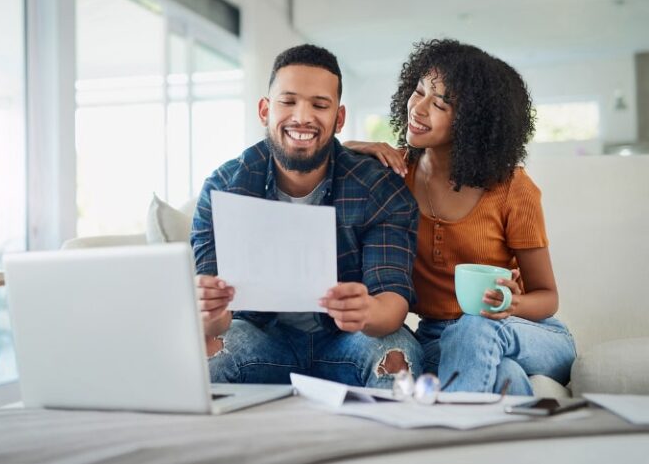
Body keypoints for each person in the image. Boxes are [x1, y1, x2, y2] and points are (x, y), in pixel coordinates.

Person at [346, 39, 576, 395]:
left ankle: (448, 435)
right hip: (439, 338)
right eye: (418, 91)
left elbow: (547, 297)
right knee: (507, 378)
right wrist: (348, 149)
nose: (419, 108)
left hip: (526, 331)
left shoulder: (512, 188)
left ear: (475, 123)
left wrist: (512, 303)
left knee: (476, 325)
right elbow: (317, 167)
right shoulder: (394, 177)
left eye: (440, 103)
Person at [191, 44, 423, 387]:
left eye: (319, 105)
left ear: (339, 118)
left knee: (397, 356)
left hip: (348, 342)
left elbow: (391, 301)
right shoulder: (223, 188)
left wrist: (367, 312)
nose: (302, 116)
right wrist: (208, 311)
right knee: (205, 359)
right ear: (264, 110)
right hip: (262, 338)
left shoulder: (378, 187)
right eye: (288, 101)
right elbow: (215, 324)